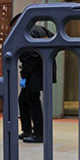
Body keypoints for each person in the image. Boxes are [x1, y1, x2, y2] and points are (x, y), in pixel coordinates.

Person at [11, 12, 55, 143]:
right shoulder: (41, 30)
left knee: (33, 101)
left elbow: (30, 56)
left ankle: (39, 134)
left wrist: (24, 74)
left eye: (14, 26)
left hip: (34, 73)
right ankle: (28, 130)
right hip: (44, 70)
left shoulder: (28, 32)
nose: (14, 29)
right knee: (24, 99)